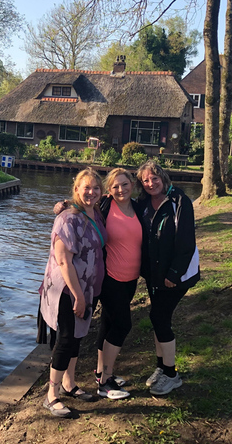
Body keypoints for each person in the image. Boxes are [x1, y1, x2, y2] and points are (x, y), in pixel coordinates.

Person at [38, 168, 106, 417]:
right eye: (86, 187)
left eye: (96, 188)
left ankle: (69, 383)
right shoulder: (68, 218)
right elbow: (64, 261)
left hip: (88, 288)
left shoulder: (96, 212)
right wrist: (77, 295)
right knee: (66, 339)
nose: (91, 192)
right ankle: (51, 395)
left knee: (77, 336)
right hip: (68, 290)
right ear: (76, 189)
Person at [136, 160, 200, 396]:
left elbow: (186, 241)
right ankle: (161, 368)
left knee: (159, 317)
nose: (151, 183)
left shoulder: (180, 201)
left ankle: (172, 374)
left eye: (154, 178)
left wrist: (175, 273)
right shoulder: (143, 202)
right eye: (145, 180)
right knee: (158, 319)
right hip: (154, 273)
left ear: (163, 178)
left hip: (175, 274)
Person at [93, 168, 148, 400]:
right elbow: (80, 208)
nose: (120, 189)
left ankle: (99, 373)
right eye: (115, 186)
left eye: (124, 184)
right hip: (110, 277)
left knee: (108, 323)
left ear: (132, 185)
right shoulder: (104, 207)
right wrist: (62, 207)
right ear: (108, 189)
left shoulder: (138, 208)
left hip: (131, 279)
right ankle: (105, 382)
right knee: (123, 325)